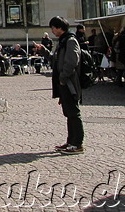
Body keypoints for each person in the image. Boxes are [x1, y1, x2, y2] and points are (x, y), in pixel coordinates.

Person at [51, 16, 84, 154]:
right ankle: (70, 141)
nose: (52, 31)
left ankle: (77, 144)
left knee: (73, 113)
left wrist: (63, 78)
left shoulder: (70, 41)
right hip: (63, 82)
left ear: (59, 28)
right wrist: (43, 51)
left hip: (69, 82)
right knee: (68, 113)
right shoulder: (63, 42)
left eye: (53, 28)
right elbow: (56, 60)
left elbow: (71, 62)